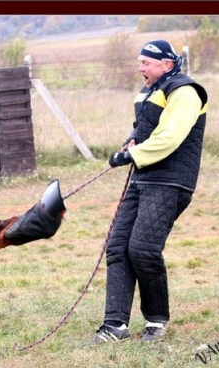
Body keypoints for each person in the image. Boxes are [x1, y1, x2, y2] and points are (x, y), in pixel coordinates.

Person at [84, 39, 208, 345]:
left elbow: (170, 136)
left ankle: (156, 322)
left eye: (146, 63)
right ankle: (115, 326)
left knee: (142, 249)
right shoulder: (151, 89)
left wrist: (131, 156)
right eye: (140, 62)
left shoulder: (186, 91)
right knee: (118, 246)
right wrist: (129, 144)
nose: (141, 67)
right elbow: (145, 128)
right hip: (144, 178)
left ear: (166, 64)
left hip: (171, 181)